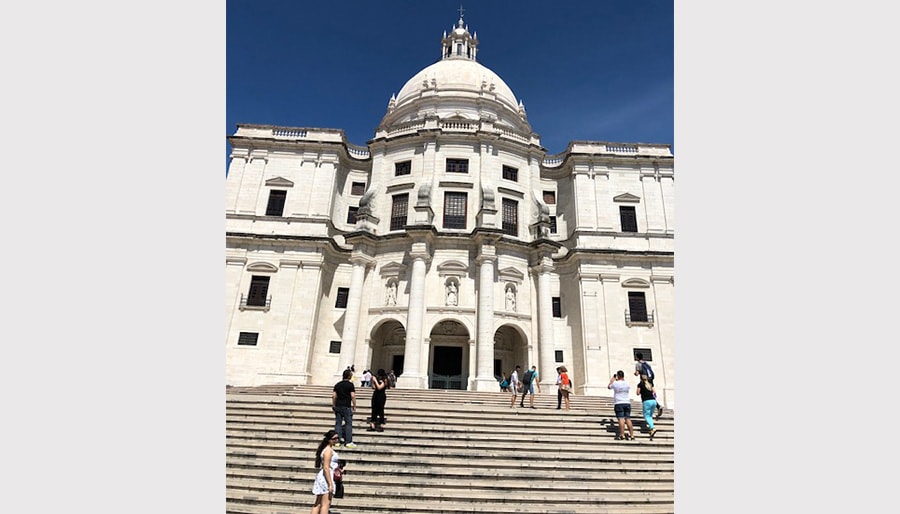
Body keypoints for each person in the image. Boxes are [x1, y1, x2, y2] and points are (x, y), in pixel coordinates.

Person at [309, 429, 340, 514]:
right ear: (329, 439)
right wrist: (330, 484)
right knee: (326, 504)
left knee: (318, 503)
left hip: (324, 476)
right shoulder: (328, 451)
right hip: (326, 477)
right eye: (334, 438)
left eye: (337, 438)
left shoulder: (327, 449)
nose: (336, 440)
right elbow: (326, 467)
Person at [332, 368, 357, 449]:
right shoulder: (350, 385)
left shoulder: (337, 384)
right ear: (349, 376)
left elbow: (334, 396)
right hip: (346, 406)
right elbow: (352, 396)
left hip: (338, 406)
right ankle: (348, 442)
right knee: (348, 424)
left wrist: (333, 405)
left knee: (338, 424)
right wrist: (354, 405)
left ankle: (337, 442)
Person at [634, 352, 663, 419]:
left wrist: (635, 373)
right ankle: (657, 406)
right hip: (650, 380)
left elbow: (637, 373)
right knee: (650, 394)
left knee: (644, 394)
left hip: (644, 380)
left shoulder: (638, 364)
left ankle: (649, 412)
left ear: (637, 357)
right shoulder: (647, 363)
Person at [608, 370, 635, 440]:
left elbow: (609, 386)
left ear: (618, 376)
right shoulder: (627, 383)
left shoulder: (615, 383)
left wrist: (613, 379)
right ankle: (632, 435)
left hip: (619, 402)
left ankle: (622, 434)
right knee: (628, 418)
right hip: (627, 402)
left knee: (621, 419)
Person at [636, 373, 658, 438]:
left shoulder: (640, 384)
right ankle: (651, 429)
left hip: (646, 401)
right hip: (653, 401)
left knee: (646, 416)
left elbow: (637, 393)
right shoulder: (650, 383)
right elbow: (654, 391)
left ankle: (652, 427)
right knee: (650, 416)